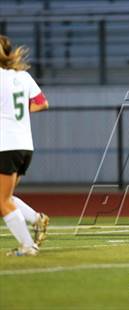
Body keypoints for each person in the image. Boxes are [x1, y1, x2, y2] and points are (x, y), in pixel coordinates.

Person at [0, 35, 50, 256]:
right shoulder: (23, 76)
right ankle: (36, 219)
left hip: (5, 144)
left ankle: (28, 246)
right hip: (24, 145)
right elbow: (42, 104)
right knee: (4, 196)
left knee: (2, 200)